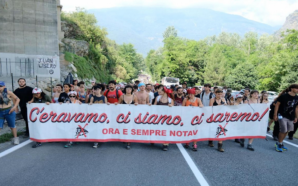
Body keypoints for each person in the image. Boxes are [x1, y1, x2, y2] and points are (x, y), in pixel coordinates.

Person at [274, 84, 298, 152]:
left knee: (287, 130)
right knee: (283, 129)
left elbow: (296, 108)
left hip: (291, 116)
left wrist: (296, 117)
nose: (297, 90)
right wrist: (275, 114)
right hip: (282, 115)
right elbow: (277, 105)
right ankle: (279, 144)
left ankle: (281, 143)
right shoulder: (284, 96)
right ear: (292, 88)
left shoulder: (297, 98)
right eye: (297, 88)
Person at [154, 85, 174, 151]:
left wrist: (171, 106)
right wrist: (150, 105)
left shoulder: (170, 100)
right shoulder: (157, 98)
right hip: (158, 117)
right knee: (158, 130)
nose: (159, 91)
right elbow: (154, 106)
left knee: (166, 131)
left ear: (165, 92)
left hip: (167, 118)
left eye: (161, 90)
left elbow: (174, 110)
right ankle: (154, 140)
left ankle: (165, 144)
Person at [118, 85, 138, 149]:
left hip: (131, 115)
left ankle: (128, 142)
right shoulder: (122, 96)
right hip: (123, 116)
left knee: (130, 128)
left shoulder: (134, 97)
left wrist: (136, 104)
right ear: (125, 89)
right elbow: (118, 105)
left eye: (130, 89)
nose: (128, 90)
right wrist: (116, 104)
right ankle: (124, 138)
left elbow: (137, 105)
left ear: (132, 90)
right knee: (124, 128)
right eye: (127, 89)